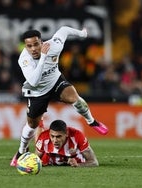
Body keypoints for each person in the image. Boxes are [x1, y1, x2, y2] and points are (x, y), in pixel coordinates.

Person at [10, 26, 108, 166]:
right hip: (38, 92)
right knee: (32, 125)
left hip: (56, 81)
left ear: (42, 42)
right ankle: (20, 151)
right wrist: (43, 57)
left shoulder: (54, 45)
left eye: (36, 44)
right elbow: (34, 81)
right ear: (25, 47)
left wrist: (82, 33)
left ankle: (92, 121)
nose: (33, 49)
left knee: (75, 99)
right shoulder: (24, 59)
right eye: (29, 46)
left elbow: (64, 30)